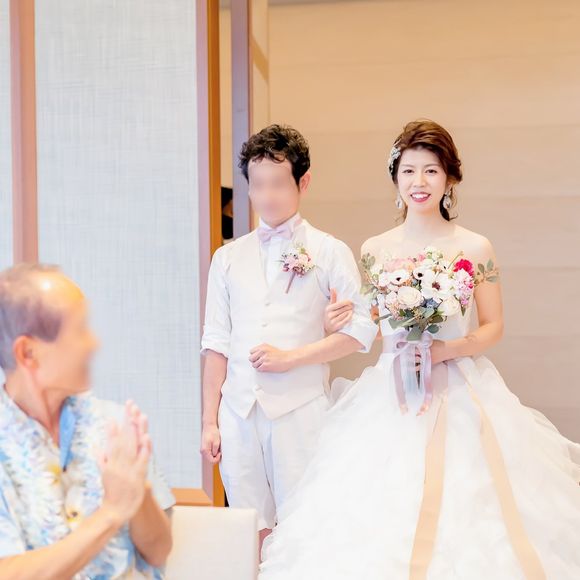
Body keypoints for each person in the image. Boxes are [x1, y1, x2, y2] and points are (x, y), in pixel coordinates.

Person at [259, 120, 580, 579]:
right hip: (389, 392)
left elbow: (494, 327)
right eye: (408, 171)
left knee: (476, 501)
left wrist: (447, 351)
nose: (419, 182)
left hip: (459, 388)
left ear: (450, 178)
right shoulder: (375, 249)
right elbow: (372, 325)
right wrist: (340, 321)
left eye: (431, 171)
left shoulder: (475, 247)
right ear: (396, 178)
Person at [200, 124, 377, 551]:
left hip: (300, 408)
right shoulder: (227, 257)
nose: (267, 196)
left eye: (278, 184)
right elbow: (216, 342)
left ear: (303, 182)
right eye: (257, 184)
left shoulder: (329, 250)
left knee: (302, 527)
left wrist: (291, 358)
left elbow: (362, 330)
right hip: (238, 411)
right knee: (249, 528)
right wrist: (209, 421)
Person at [0, 263, 174, 579]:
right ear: (28, 353)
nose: (94, 343)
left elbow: (159, 550)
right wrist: (110, 514)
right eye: (79, 331)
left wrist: (137, 490)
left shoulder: (114, 425)